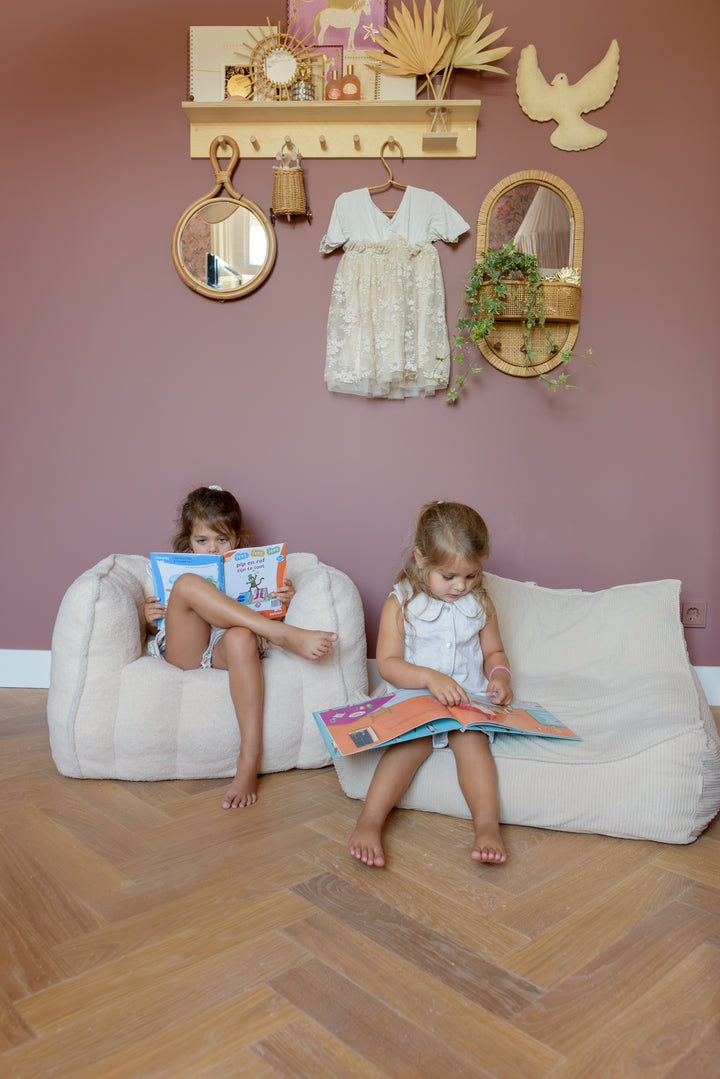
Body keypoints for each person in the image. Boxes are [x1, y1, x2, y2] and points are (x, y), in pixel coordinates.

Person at [145, 486, 337, 810]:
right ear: (188, 542)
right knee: (187, 585)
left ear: (236, 540)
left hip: (225, 648)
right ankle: (282, 634)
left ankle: (249, 758)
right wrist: (149, 618)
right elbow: (163, 626)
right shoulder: (179, 570)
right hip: (187, 651)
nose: (212, 549)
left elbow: (256, 615)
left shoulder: (247, 567)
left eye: (222, 540)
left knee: (242, 637)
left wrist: (286, 602)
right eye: (202, 541)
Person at [348, 501, 513, 868]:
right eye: (449, 577)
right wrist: (428, 677)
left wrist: (500, 674)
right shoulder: (402, 602)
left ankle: (487, 827)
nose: (461, 586)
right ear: (422, 560)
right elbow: (388, 664)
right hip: (415, 696)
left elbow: (494, 652)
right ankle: (370, 821)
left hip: (465, 699)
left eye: (470, 576)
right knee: (409, 746)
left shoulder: (481, 603)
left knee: (473, 745)